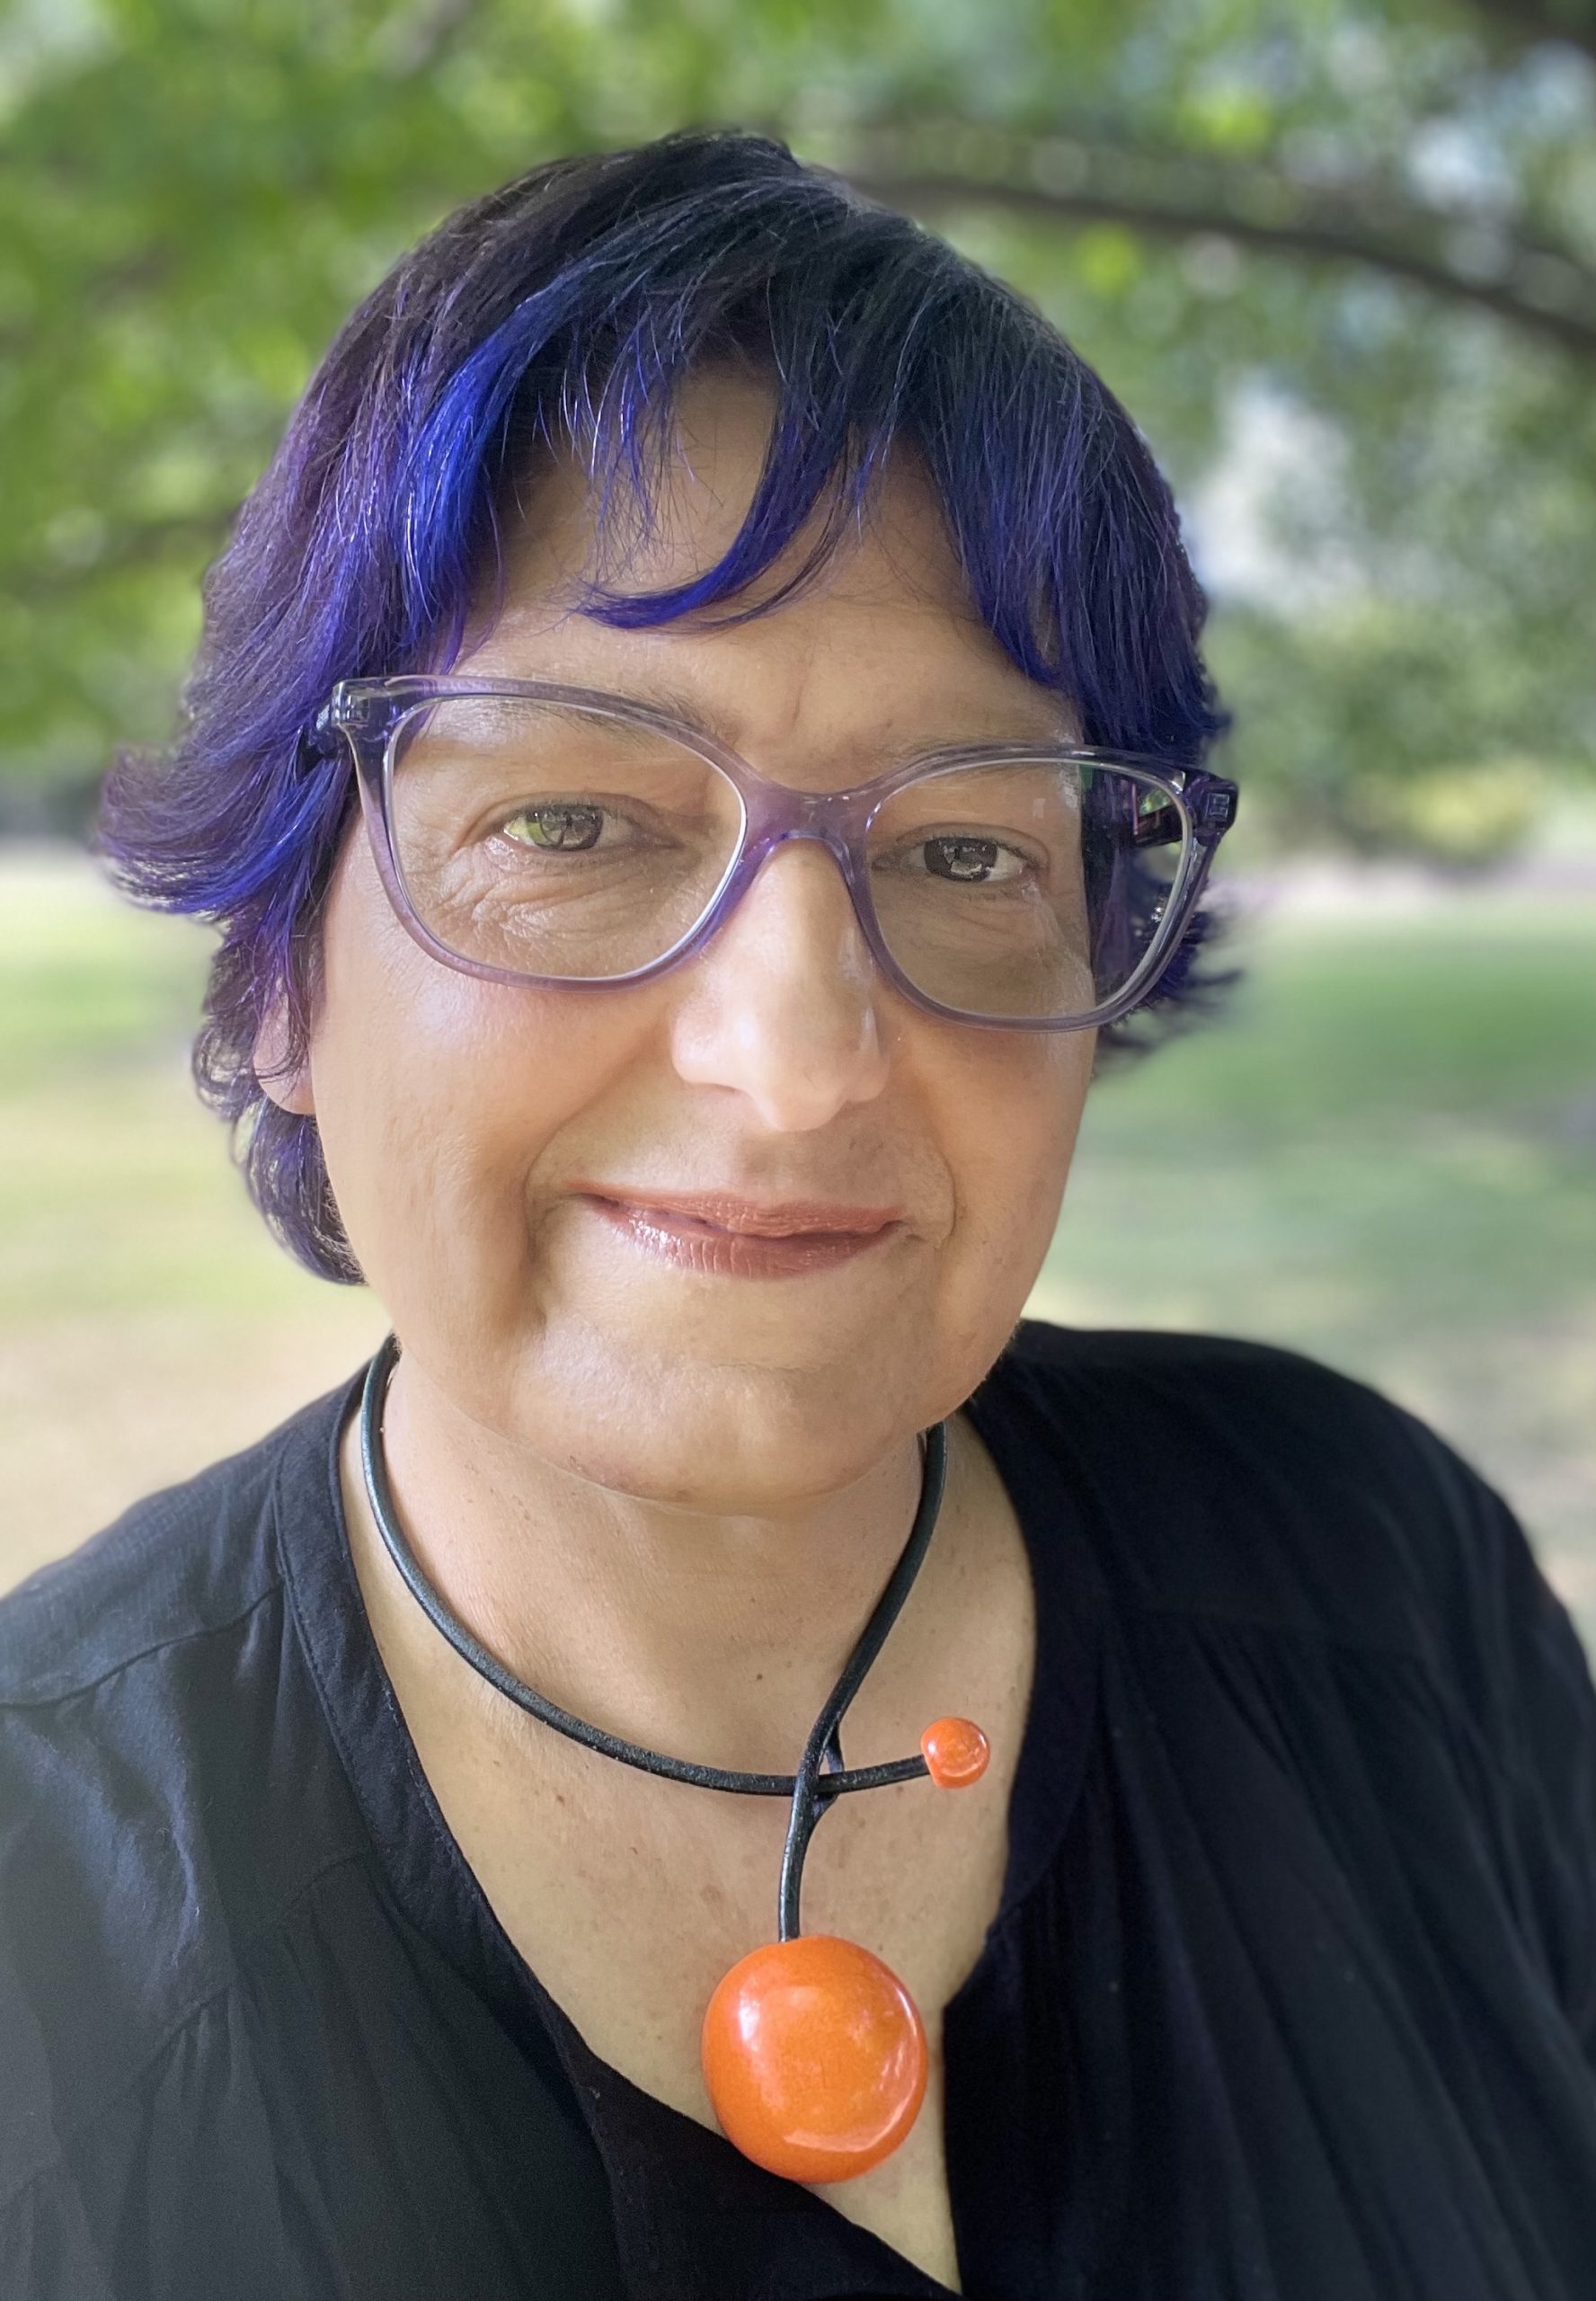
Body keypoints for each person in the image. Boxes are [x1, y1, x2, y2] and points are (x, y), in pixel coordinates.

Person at [1, 129, 1592, 2301]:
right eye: (569, 815)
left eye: (965, 849)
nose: (802, 1052)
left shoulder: (1376, 1568)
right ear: (278, 978)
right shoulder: (42, 1925)